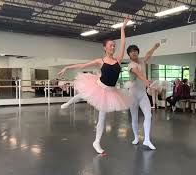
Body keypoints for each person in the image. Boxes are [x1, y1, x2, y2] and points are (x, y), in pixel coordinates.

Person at [58, 17, 131, 154]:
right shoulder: (101, 60)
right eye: (111, 45)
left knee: (102, 119)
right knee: (82, 95)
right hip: (99, 86)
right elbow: (82, 65)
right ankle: (68, 103)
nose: (113, 47)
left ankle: (96, 142)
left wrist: (122, 28)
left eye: (114, 45)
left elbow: (123, 43)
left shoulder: (118, 60)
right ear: (105, 48)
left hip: (110, 91)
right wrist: (67, 67)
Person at [127, 43, 160, 150]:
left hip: (142, 93)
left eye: (135, 50)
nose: (134, 52)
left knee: (148, 115)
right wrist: (145, 80)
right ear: (129, 54)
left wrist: (154, 47)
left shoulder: (141, 61)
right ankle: (136, 137)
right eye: (132, 51)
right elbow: (137, 73)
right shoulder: (130, 65)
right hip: (133, 94)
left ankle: (146, 140)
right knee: (134, 117)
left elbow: (148, 54)